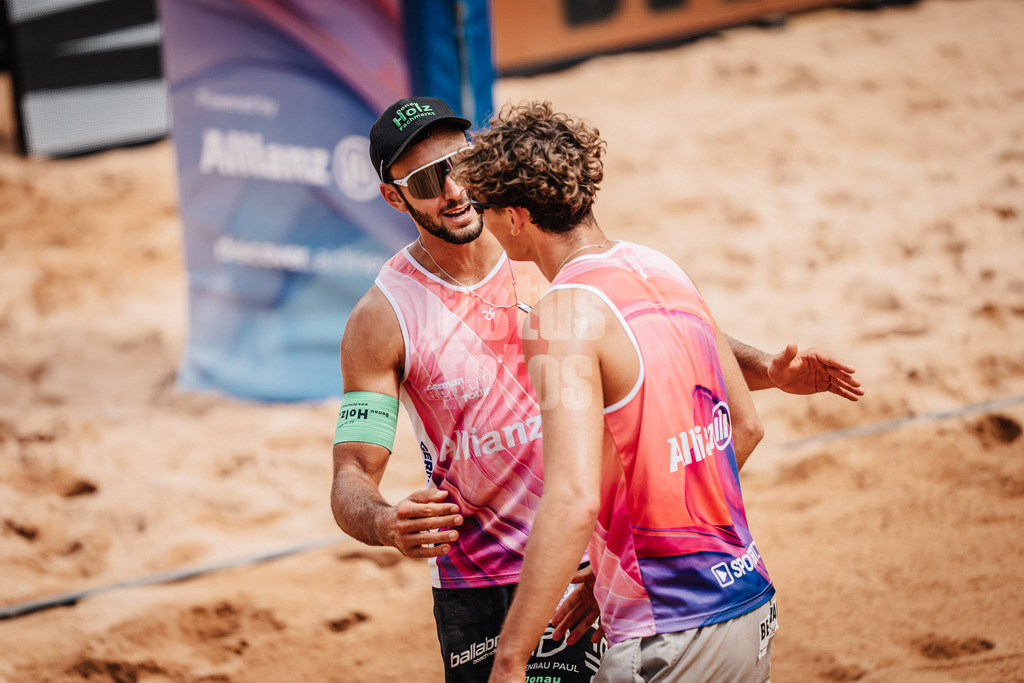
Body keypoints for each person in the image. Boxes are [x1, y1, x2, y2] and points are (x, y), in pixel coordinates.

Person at [329, 96, 862, 682]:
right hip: (493, 581)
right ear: (393, 196)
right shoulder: (382, 318)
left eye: (461, 162)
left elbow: (655, 344)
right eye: (429, 179)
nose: (454, 188)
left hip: (613, 563)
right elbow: (352, 473)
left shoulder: (543, 254)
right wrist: (383, 523)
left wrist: (768, 369)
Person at [453, 100, 781, 682]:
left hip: (667, 631)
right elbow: (746, 427)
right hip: (747, 603)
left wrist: (509, 660)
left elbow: (573, 498)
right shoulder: (661, 267)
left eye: (484, 206)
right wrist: (615, 571)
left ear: (517, 217)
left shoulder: (560, 315)